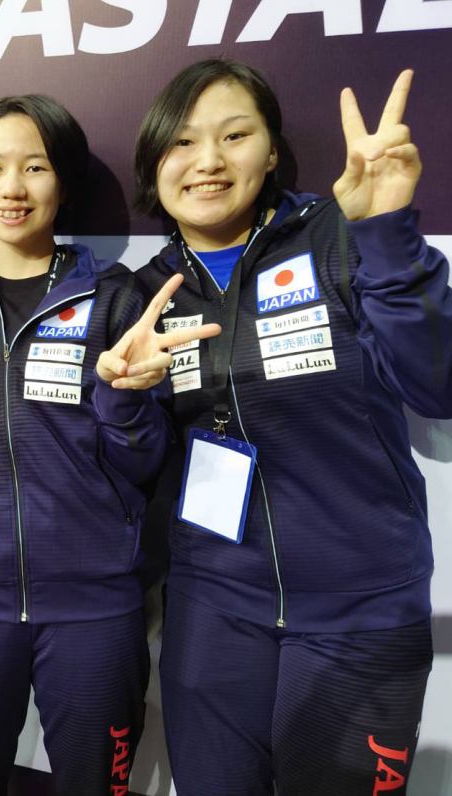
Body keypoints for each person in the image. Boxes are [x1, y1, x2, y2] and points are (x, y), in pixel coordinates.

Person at [130, 59, 451, 794]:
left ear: (271, 151)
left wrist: (390, 236)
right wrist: (121, 396)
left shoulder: (339, 236)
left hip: (358, 612)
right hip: (212, 616)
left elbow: (438, 386)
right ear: (155, 163)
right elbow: (133, 464)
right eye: (181, 143)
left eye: (234, 135)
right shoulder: (145, 292)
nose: (207, 161)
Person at [0, 94, 218, 794]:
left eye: (34, 167)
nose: (12, 188)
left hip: (94, 609)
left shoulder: (117, 300)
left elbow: (148, 464)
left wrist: (122, 401)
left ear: (61, 184)